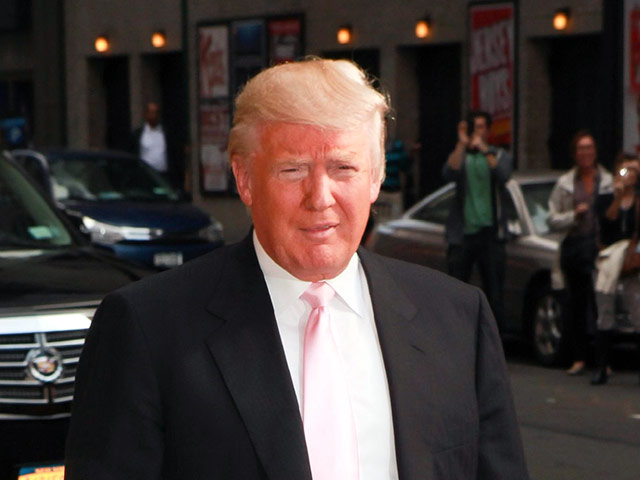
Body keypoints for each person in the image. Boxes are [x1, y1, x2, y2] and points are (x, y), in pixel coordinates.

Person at [65, 58, 529, 480]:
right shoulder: (147, 328)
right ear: (244, 179)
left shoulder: (457, 319)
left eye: (344, 168)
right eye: (293, 170)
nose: (320, 197)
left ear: (376, 177)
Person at [547, 131, 613, 376]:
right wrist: (573, 215)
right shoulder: (565, 183)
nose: (586, 153)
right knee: (576, 304)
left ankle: (603, 360)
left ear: (595, 152)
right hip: (574, 246)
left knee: (600, 303)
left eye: (590, 148)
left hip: (598, 248)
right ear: (575, 153)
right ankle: (579, 357)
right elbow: (552, 218)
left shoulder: (607, 180)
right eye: (581, 149)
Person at [442, 111, 512, 332]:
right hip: (464, 234)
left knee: (494, 293)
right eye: (474, 127)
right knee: (457, 289)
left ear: (488, 130)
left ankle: (494, 339)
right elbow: (449, 173)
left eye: (481, 127)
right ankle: (458, 335)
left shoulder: (498, 155)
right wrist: (462, 143)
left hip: (491, 234)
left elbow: (503, 175)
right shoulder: (463, 157)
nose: (477, 132)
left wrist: (483, 148)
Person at [591, 153, 640, 385]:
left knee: (636, 310)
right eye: (624, 170)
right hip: (610, 259)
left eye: (633, 171)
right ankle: (602, 366)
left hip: (631, 260)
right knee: (605, 309)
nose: (628, 174)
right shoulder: (606, 198)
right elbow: (605, 226)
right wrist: (617, 198)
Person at [130, 101, 183, 189]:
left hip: (163, 176)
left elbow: (174, 154)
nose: (153, 116)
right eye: (151, 113)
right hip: (146, 176)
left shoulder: (166, 133)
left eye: (155, 113)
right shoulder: (138, 134)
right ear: (146, 114)